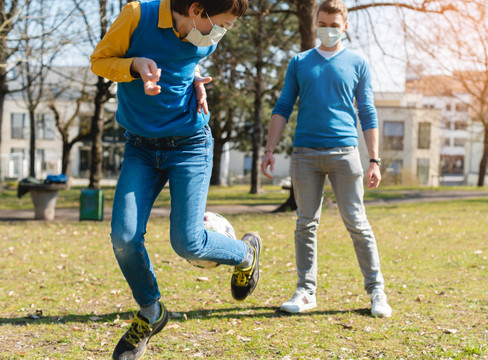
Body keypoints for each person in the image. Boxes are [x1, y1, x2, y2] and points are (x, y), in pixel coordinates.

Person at [90, 1, 262, 359]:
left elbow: (185, 60)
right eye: (223, 24)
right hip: (140, 147)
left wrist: (196, 79)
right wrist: (134, 66)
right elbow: (99, 60)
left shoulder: (206, 34)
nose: (222, 33)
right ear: (197, 10)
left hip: (190, 144)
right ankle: (152, 312)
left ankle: (246, 254)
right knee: (123, 237)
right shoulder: (138, 15)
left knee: (188, 243)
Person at [261, 0, 391, 318]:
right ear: (316, 23)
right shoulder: (300, 62)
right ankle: (306, 292)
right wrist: (269, 150)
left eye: (334, 25)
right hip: (304, 155)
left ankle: (377, 293)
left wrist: (374, 159)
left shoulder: (358, 63)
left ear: (344, 26)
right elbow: (282, 106)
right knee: (305, 224)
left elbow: (368, 112)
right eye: (323, 24)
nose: (328, 30)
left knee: (358, 224)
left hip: (345, 154)